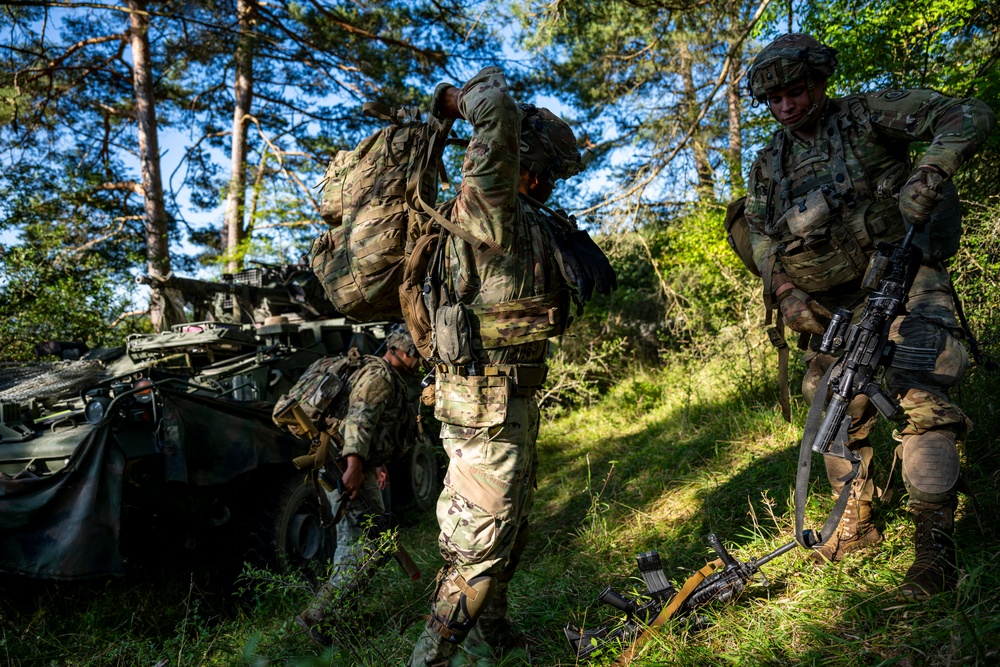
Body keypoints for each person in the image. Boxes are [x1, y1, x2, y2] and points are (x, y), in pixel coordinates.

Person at [743, 33, 995, 599]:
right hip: (835, 305)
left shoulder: (867, 115)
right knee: (832, 405)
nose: (786, 106)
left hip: (908, 278)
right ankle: (854, 522)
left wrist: (928, 173)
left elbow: (968, 113)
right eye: (774, 98)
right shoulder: (769, 164)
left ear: (819, 82)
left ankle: (935, 547)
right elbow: (760, 236)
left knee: (921, 393)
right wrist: (784, 290)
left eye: (796, 91)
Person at [408, 67, 616, 665]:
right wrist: (449, 104)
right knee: (478, 548)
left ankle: (490, 643)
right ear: (525, 162)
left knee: (509, 533)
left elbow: (527, 315)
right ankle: (430, 658)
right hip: (484, 404)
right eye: (547, 171)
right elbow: (494, 104)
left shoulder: (526, 220)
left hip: (510, 398)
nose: (549, 184)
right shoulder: (490, 202)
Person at [275, 324, 423, 645]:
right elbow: (360, 416)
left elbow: (363, 422)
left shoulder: (371, 368)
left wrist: (375, 461)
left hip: (345, 463)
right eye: (418, 352)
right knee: (370, 545)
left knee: (356, 544)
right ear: (402, 350)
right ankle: (318, 617)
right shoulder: (380, 377)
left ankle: (335, 616)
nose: (421, 360)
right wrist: (355, 463)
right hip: (344, 466)